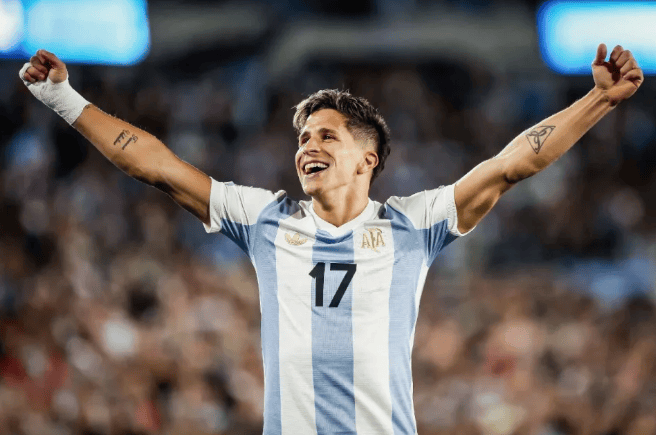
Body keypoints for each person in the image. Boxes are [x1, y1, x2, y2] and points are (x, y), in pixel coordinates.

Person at [20, 44, 643, 434]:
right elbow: (154, 165)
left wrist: (598, 100)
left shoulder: (413, 224)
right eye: (301, 139)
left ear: (368, 159)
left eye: (326, 136)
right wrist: (63, 98)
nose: (307, 147)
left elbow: (512, 166)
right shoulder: (263, 219)